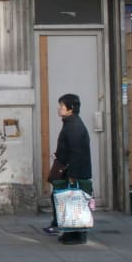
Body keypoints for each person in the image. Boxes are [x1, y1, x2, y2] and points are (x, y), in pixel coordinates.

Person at [43, 93, 93, 245]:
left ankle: (74, 234)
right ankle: (64, 228)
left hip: (73, 172)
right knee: (64, 199)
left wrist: (72, 175)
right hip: (70, 170)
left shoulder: (74, 127)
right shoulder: (70, 123)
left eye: (61, 106)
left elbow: (77, 153)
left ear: (70, 109)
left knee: (72, 201)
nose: (59, 109)